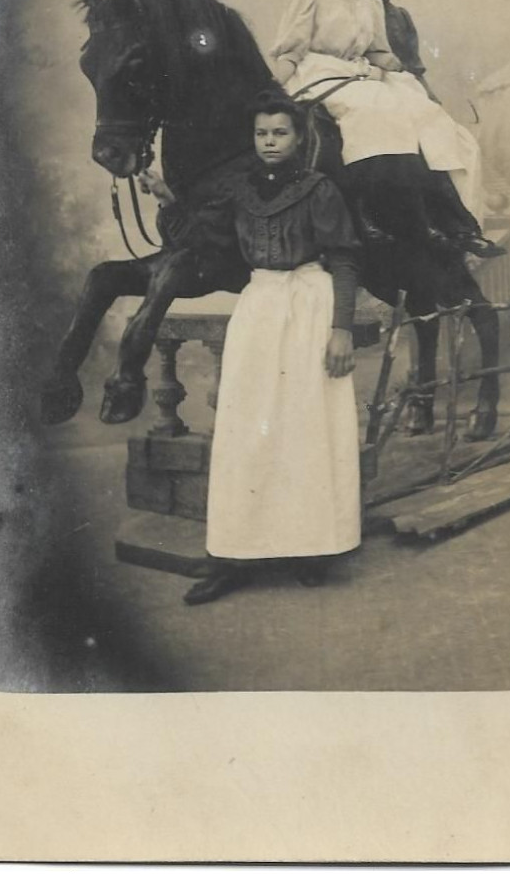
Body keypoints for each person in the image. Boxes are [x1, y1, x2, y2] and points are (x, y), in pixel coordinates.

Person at [139, 90, 362, 606]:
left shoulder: (320, 190)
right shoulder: (240, 192)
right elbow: (205, 240)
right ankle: (233, 554)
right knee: (244, 430)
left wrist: (342, 329)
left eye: (280, 132)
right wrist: (168, 199)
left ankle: (310, 548)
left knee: (306, 427)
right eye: (262, 133)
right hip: (260, 308)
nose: (269, 142)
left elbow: (345, 259)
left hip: (309, 305)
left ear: (298, 137)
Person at [271, 0, 502, 258]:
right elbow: (291, 48)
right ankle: (366, 213)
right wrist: (276, 83)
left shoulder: (370, 3)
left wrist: (391, 62)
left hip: (359, 72)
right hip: (320, 72)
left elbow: (376, 49)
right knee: (375, 112)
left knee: (427, 115)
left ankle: (457, 224)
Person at [361, 0, 485, 237]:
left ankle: (459, 224)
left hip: (404, 85)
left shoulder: (401, 16)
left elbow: (414, 66)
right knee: (410, 138)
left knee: (460, 142)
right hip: (368, 84)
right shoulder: (356, 10)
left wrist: (433, 101)